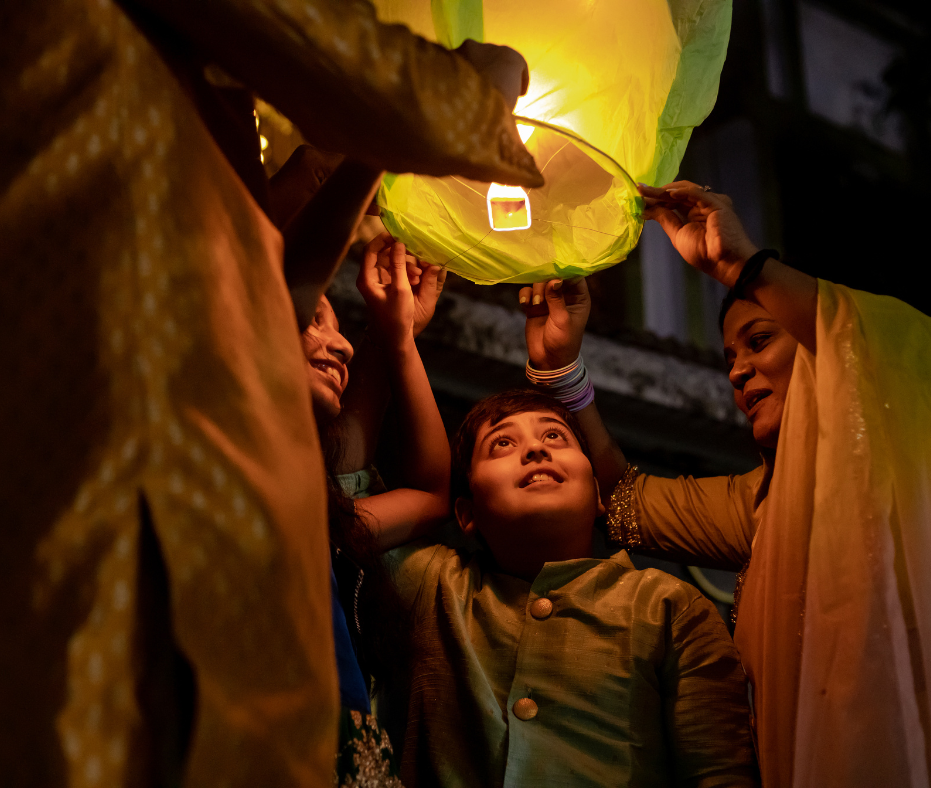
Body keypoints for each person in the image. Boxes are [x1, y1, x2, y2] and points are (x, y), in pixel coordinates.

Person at [0, 0, 543, 782]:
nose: (335, 341)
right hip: (131, 483)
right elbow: (359, 70)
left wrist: (359, 159)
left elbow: (263, 283)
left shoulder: (159, 100)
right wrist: (484, 83)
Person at [518, 182, 931, 787]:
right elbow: (623, 500)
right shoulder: (760, 505)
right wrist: (560, 367)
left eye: (760, 340)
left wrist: (739, 263)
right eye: (729, 357)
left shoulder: (914, 433)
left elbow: (886, 345)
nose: (738, 370)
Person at [382, 388, 759, 787]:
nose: (535, 451)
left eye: (554, 436)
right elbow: (344, 509)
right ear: (466, 513)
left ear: (598, 494)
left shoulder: (668, 605)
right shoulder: (434, 584)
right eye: (503, 443)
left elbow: (721, 773)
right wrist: (396, 343)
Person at [299, 234, 450, 786]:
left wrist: (399, 338)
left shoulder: (321, 514)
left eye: (340, 328)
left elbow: (433, 498)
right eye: (312, 319)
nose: (342, 347)